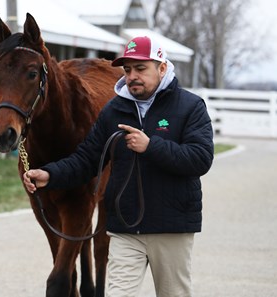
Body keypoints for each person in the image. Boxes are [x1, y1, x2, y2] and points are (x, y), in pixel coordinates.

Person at [23, 36, 214, 297]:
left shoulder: (190, 107)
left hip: (171, 227)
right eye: (127, 69)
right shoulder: (114, 110)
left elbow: (201, 158)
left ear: (161, 67)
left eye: (140, 68)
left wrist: (151, 146)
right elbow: (87, 159)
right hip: (126, 229)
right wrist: (50, 174)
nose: (132, 76)